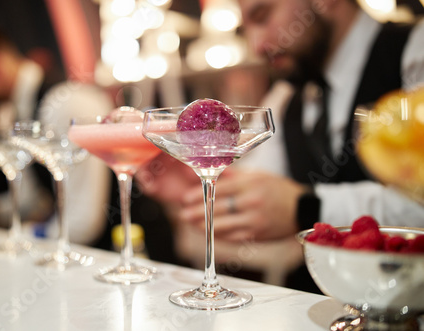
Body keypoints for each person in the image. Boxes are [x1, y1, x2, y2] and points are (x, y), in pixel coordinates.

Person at [139, 0, 424, 291]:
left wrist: (306, 208)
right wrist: (191, 182)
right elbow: (257, 190)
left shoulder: (415, 50)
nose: (257, 45)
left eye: (262, 16)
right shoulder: (287, 96)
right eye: (245, 29)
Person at [0, 21, 113, 244]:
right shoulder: (16, 110)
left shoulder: (66, 104)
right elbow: (35, 198)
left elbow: (83, 220)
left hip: (124, 254)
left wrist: (22, 239)